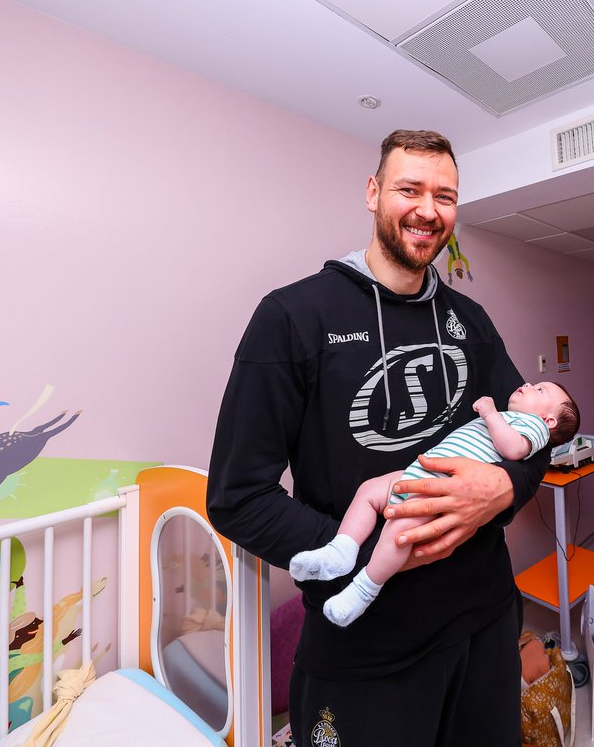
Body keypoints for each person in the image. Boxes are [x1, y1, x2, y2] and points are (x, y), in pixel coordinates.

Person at [206, 129, 551, 747]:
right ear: (373, 193)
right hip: (366, 637)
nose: (428, 210)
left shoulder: (471, 320)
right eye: (409, 189)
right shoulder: (292, 317)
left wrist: (502, 489)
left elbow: (534, 435)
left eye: (444, 196)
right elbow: (239, 497)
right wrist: (375, 553)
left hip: (485, 616)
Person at [291, 381, 579, 627]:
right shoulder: (513, 418)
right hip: (423, 472)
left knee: (400, 530)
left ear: (549, 421)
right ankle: (341, 549)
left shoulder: (534, 428)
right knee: (369, 491)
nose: (528, 384)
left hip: (444, 488)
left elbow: (514, 450)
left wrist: (491, 413)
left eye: (539, 390)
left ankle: (364, 589)